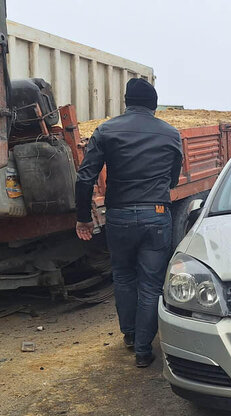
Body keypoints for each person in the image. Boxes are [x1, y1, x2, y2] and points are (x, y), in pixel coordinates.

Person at [74, 78, 183, 368]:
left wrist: (83, 218)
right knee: (150, 284)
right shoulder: (171, 134)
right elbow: (172, 179)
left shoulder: (106, 130)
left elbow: (85, 177)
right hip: (156, 213)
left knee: (123, 276)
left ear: (127, 102)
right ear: (154, 104)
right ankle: (144, 350)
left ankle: (131, 336)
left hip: (119, 215)